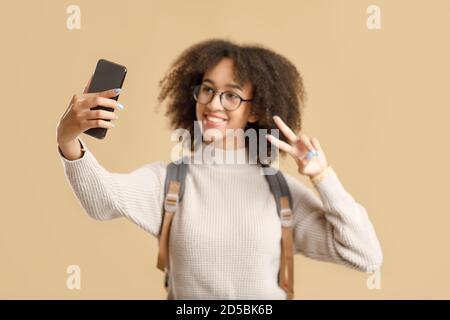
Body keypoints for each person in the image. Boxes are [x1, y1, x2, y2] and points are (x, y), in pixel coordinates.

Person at [56, 39, 383, 300]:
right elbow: (101, 202)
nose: (213, 104)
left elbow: (365, 255)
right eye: (208, 89)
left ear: (254, 111)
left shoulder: (280, 193)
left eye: (231, 96)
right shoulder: (170, 182)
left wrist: (323, 178)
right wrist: (67, 137)